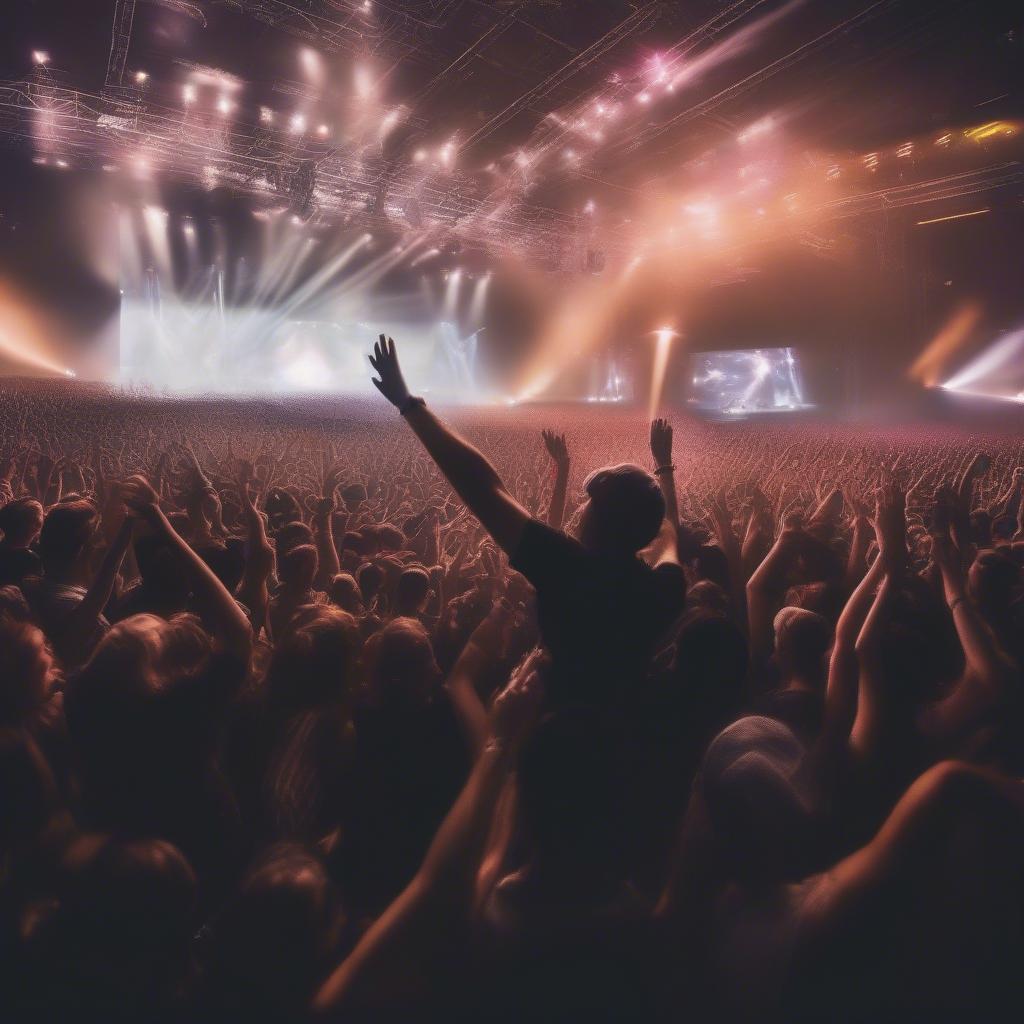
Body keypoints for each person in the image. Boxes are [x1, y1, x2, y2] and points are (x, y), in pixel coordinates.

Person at [368, 335, 686, 704]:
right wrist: (662, 469)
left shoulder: (568, 569)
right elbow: (669, 531)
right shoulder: (663, 589)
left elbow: (485, 489)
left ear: (599, 517)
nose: (580, 509)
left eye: (588, 504)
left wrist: (411, 406)